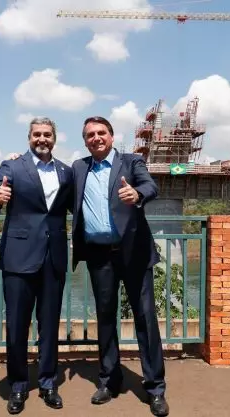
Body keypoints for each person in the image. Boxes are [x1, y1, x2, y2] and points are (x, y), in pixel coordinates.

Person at [70, 116, 169, 416]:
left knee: (145, 320)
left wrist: (137, 194)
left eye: (101, 133)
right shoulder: (78, 168)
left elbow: (150, 186)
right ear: (85, 141)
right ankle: (109, 381)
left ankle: (155, 388)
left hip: (134, 254)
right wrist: (21, 160)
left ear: (111, 136)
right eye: (90, 135)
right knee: (105, 320)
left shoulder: (131, 161)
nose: (96, 138)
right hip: (99, 256)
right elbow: (53, 184)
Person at [0, 117, 73, 415]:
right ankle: (18, 385)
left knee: (50, 326)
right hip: (18, 257)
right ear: (29, 137)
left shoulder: (66, 171)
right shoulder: (12, 166)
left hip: (53, 258)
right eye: (37, 134)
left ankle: (48, 383)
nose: (42, 139)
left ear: (54, 138)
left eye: (47, 134)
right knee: (17, 326)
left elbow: (77, 206)